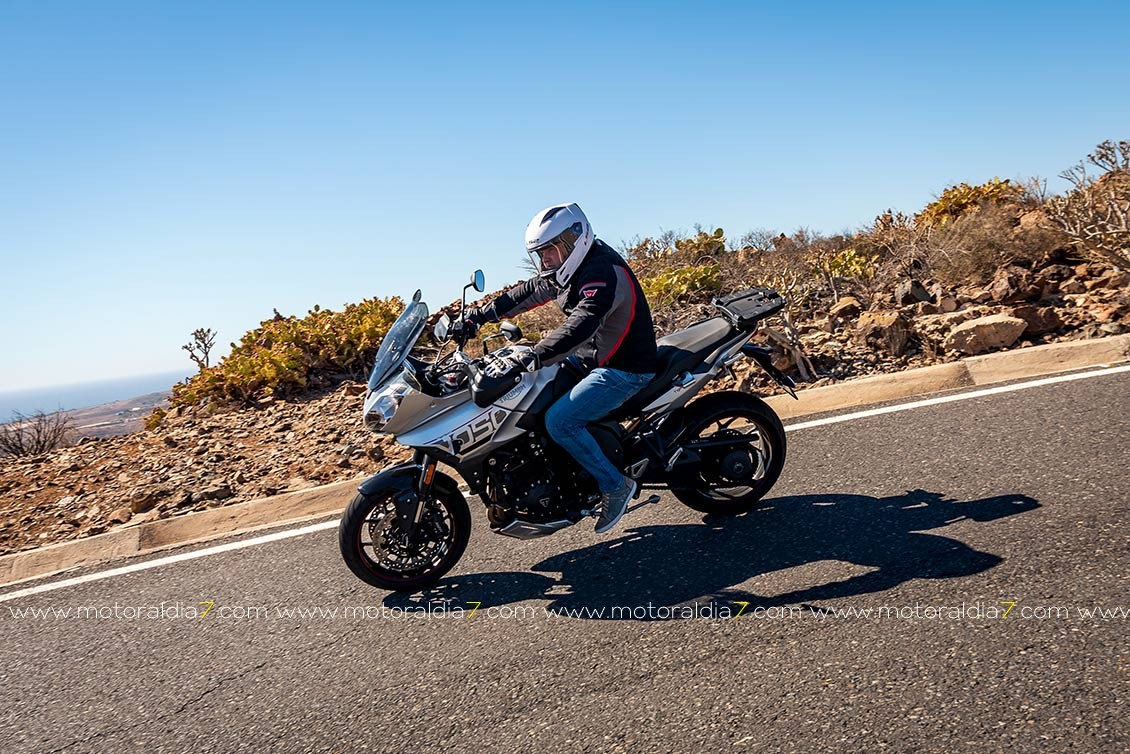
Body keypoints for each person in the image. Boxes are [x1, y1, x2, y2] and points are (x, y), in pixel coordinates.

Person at [455, 203, 658, 533]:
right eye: (540, 253)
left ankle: (615, 485)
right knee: (533, 400)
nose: (545, 259)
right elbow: (528, 292)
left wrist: (535, 355)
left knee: (560, 421)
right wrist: (477, 317)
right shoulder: (567, 268)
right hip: (591, 359)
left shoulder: (602, 272)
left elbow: (582, 324)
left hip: (624, 368)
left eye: (549, 250)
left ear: (573, 239)